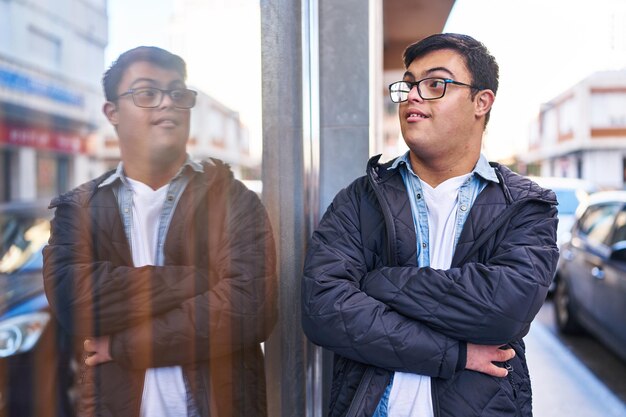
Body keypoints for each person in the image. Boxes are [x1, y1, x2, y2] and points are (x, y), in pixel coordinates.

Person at [301, 33, 558, 417]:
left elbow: (504, 310)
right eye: (408, 84)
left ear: (481, 102)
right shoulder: (361, 198)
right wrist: (454, 353)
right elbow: (323, 309)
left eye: (435, 83)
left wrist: (375, 282)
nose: (413, 96)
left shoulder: (524, 205)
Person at [43, 46, 277, 417]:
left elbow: (250, 309)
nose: (167, 104)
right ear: (112, 112)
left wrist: (123, 345)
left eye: (178, 93)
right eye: (147, 93)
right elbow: (74, 302)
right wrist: (202, 281)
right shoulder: (79, 209)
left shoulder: (232, 199)